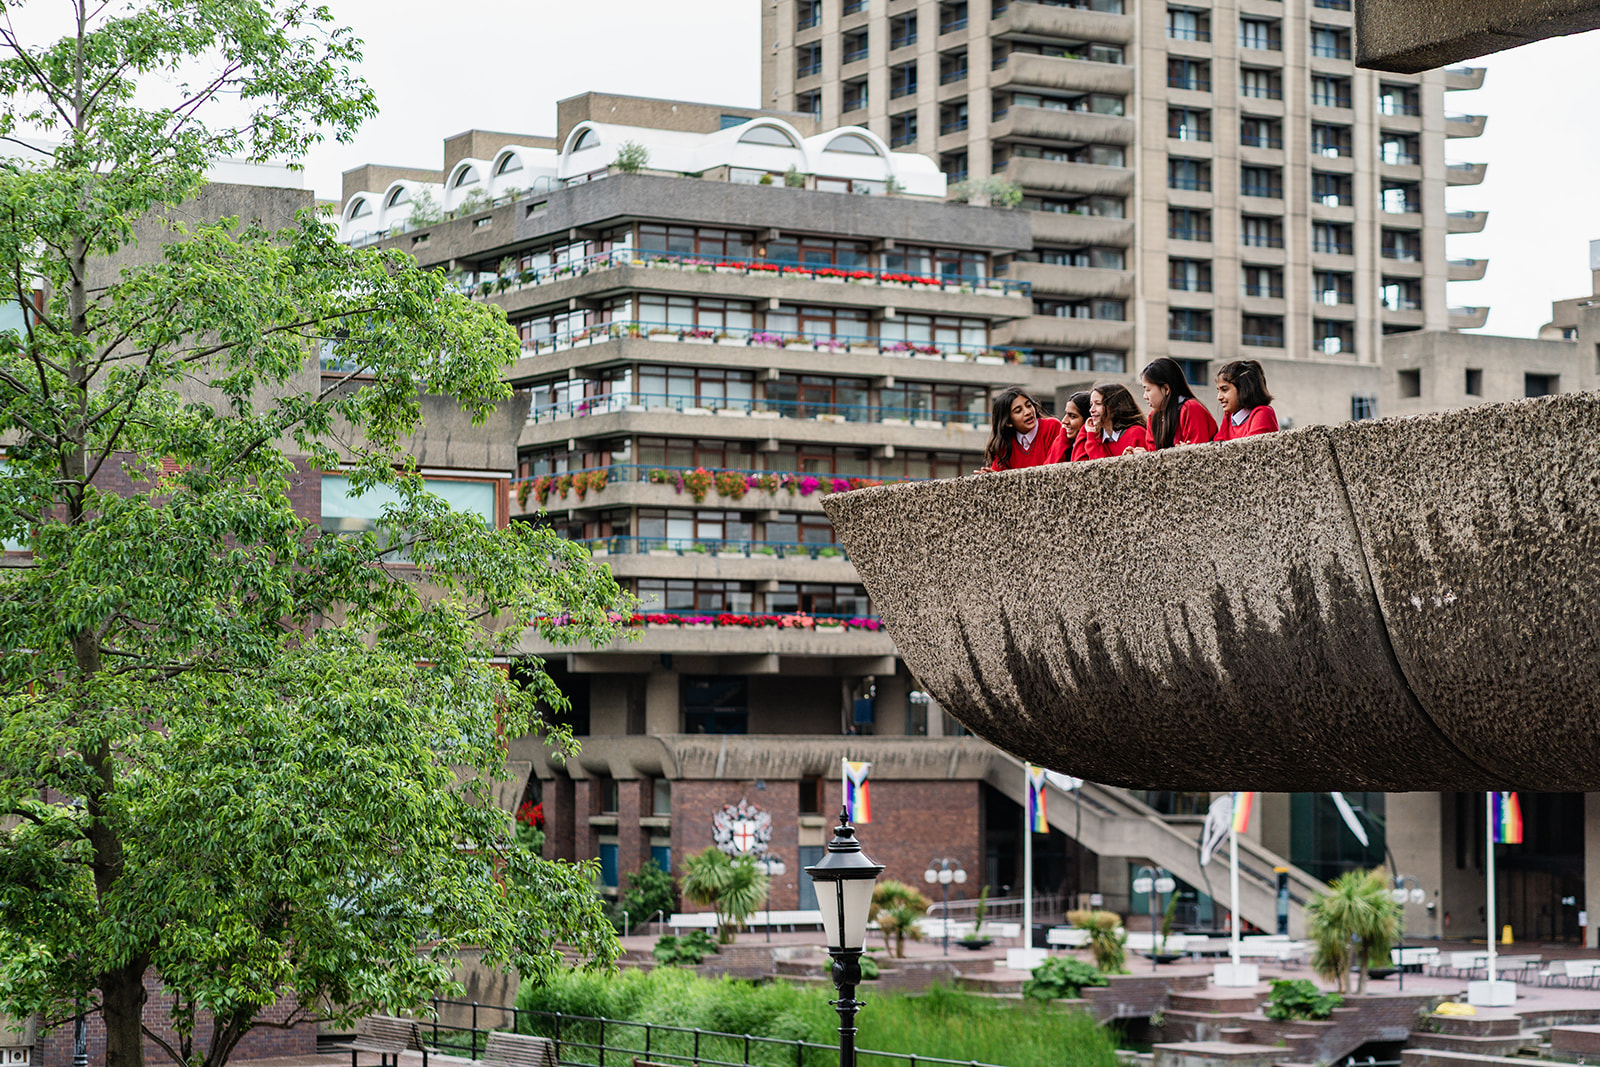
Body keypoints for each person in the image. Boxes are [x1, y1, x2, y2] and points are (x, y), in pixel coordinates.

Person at [981, 386, 1068, 470]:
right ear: (1008, 422)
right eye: (1018, 411)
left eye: (1029, 405)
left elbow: (1053, 466)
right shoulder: (1004, 445)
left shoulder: (1051, 426)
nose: (1028, 412)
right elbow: (999, 474)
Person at [1140, 357, 1217, 449]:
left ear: (1166, 389)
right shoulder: (1153, 417)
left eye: (1148, 390)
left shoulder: (1191, 409)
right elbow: (1153, 452)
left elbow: (1199, 451)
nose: (1145, 396)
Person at [1076, 383, 1152, 459]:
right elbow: (1080, 462)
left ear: (1115, 406)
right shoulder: (1096, 436)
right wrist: (1090, 435)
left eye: (1098, 404)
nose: (1091, 410)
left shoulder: (1136, 433)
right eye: (1091, 405)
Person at [1213, 359, 1280, 440]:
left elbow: (1252, 446)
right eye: (1218, 390)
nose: (1219, 397)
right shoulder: (1228, 417)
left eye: (1224, 390)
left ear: (1243, 389)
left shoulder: (1262, 413)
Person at [1059, 391, 1091, 455]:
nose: (1064, 421)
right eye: (1066, 414)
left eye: (1072, 416)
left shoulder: (1095, 450)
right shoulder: (1067, 447)